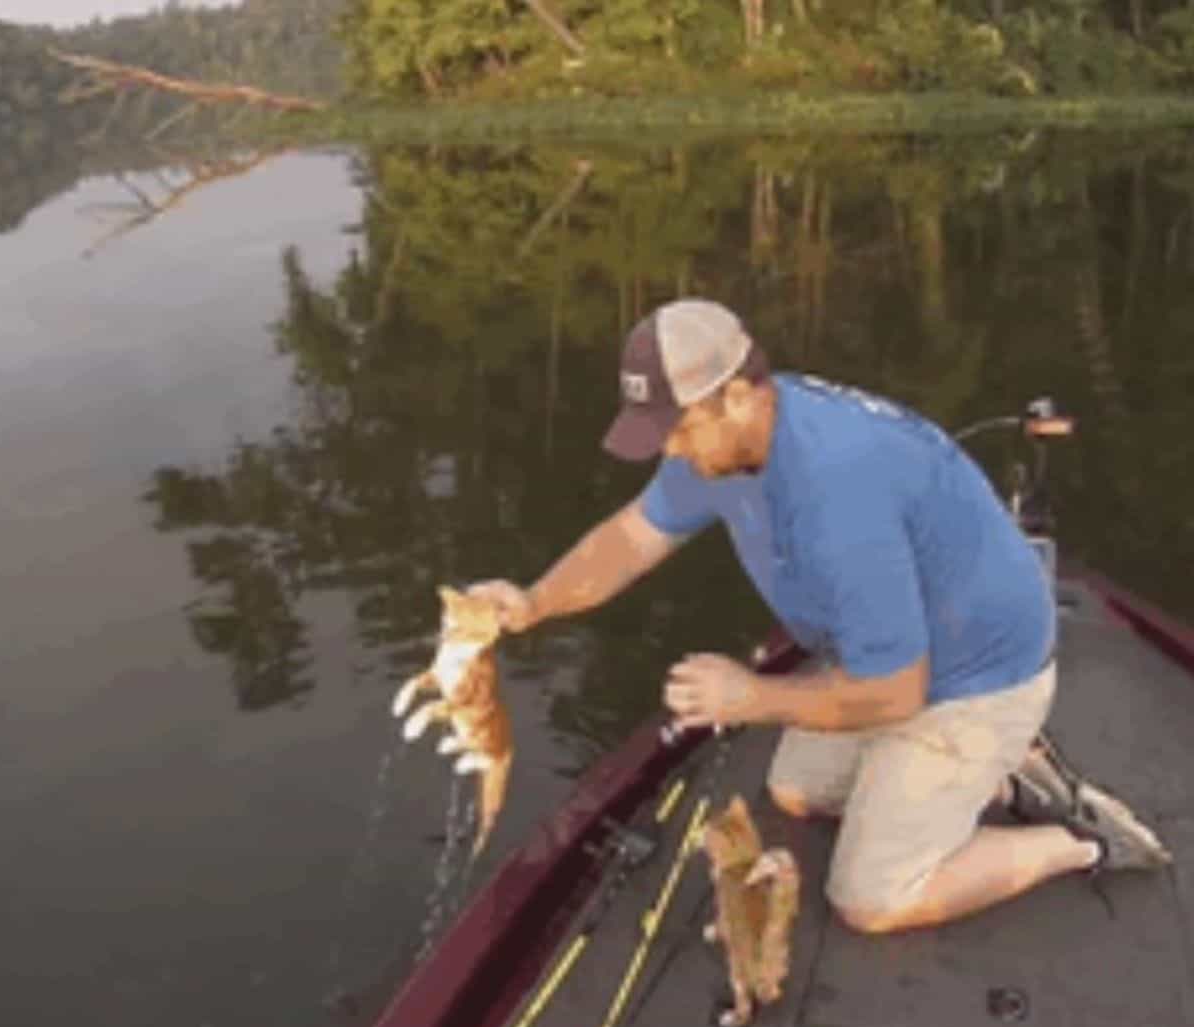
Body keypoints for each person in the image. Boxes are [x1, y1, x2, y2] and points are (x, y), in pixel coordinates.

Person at [469, 298, 1171, 934]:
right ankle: (1007, 779)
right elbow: (631, 538)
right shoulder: (729, 439)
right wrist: (533, 602)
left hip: (977, 678)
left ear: (739, 396)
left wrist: (751, 697)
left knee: (871, 898)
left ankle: (1084, 840)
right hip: (896, 650)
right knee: (795, 791)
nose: (670, 452)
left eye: (677, 430)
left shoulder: (837, 498)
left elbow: (898, 692)